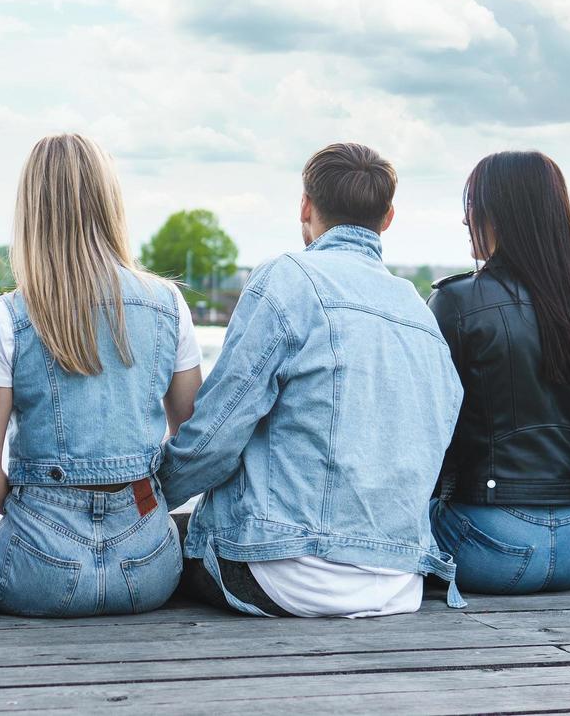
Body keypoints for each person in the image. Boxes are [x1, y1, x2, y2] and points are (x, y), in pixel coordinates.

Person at [159, 143, 465, 617]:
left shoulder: (286, 280)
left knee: (148, 551)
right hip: (398, 584)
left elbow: (213, 440)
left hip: (285, 575)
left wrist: (149, 494)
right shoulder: (420, 312)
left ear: (305, 205)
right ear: (387, 218)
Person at [0, 134, 203, 616]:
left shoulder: (6, 316)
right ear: (109, 202)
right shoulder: (168, 305)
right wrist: (143, 495)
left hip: (38, 572)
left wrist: (42, 515)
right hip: (149, 568)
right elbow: (192, 436)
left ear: (31, 211)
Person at [427, 151, 570, 594]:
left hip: (490, 545)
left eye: (471, 206)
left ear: (499, 213)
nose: (464, 220)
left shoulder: (457, 302)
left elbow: (422, 429)